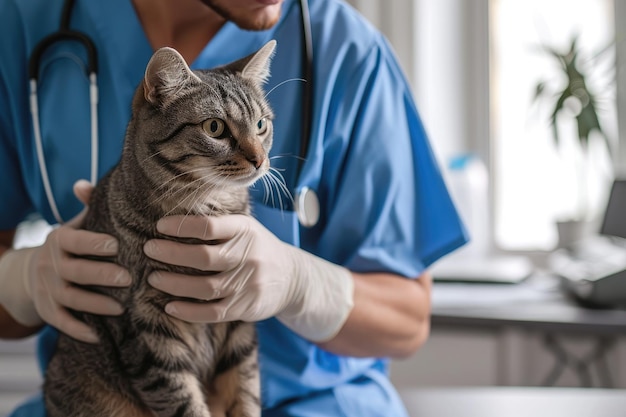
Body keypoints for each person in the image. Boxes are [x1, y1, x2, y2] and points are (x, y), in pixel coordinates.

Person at [0, 0, 468, 416]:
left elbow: (407, 322)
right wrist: (20, 280)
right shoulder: (22, 22)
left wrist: (304, 286)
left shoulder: (345, 48)